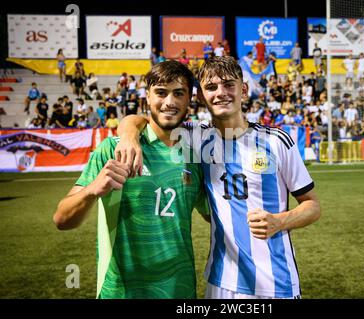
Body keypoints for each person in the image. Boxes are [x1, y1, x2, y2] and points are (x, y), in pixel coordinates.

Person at [116, 56, 321, 299]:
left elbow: (312, 205)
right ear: (201, 97)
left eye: (228, 85)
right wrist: (128, 135)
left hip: (275, 283)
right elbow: (141, 120)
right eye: (211, 88)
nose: (221, 93)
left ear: (243, 90)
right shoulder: (195, 138)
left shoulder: (276, 141)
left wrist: (280, 221)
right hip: (221, 281)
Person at [53, 60, 210, 299]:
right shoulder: (112, 149)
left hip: (180, 290)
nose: (169, 102)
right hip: (119, 291)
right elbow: (62, 220)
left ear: (189, 99)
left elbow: (215, 216)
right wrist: (92, 190)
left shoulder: (195, 156)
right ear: (147, 97)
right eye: (160, 93)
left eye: (179, 93)